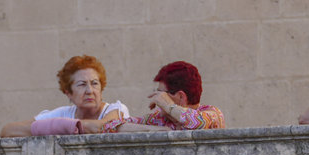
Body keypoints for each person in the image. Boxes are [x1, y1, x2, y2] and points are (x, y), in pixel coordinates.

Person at [1, 55, 128, 138]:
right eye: (82, 84)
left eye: (95, 83)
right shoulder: (63, 114)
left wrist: (57, 127)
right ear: (68, 93)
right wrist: (61, 125)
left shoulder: (116, 109)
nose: (90, 90)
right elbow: (8, 131)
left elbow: (103, 127)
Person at [86, 61, 225, 134]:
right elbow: (110, 126)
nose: (157, 99)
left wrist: (169, 106)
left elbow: (198, 123)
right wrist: (158, 131)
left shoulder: (212, 114)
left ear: (181, 97)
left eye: (161, 94)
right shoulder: (159, 119)